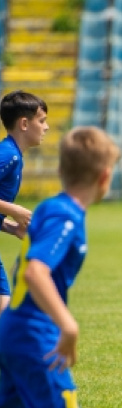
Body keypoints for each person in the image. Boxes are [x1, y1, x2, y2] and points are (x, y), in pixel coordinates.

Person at [0, 126, 120, 408]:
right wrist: (68, 326)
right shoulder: (68, 216)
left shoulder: (51, 206)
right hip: (35, 335)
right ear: (104, 177)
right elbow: (36, 272)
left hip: (11, 329)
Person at [0, 91, 50, 311]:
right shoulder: (7, 155)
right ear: (24, 124)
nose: (46, 127)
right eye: (42, 121)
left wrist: (11, 227)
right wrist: (14, 209)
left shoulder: (13, 155)